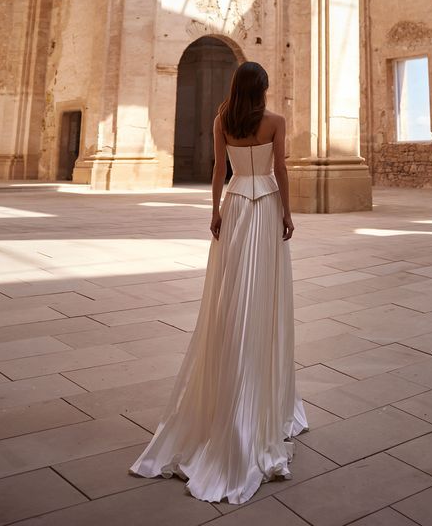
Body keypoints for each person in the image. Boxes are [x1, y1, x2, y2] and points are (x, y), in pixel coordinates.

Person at [129, 61, 308, 504]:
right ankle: (260, 397)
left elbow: (218, 173)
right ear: (263, 88)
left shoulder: (221, 119)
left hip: (235, 208)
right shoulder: (275, 122)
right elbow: (280, 170)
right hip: (264, 208)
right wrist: (287, 212)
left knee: (230, 298)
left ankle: (231, 383)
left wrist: (215, 212)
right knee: (263, 295)